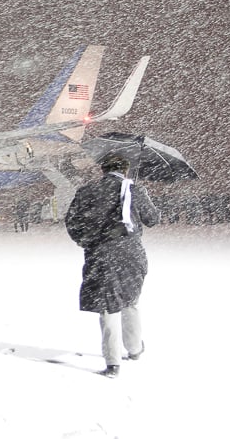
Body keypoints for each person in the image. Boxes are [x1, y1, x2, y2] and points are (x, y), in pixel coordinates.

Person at [64, 155, 160, 378]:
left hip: (101, 255)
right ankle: (135, 348)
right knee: (130, 301)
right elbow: (153, 219)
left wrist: (86, 240)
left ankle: (113, 362)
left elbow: (72, 221)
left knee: (108, 306)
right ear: (125, 170)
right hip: (131, 254)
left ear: (102, 169)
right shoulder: (133, 189)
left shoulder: (87, 191)